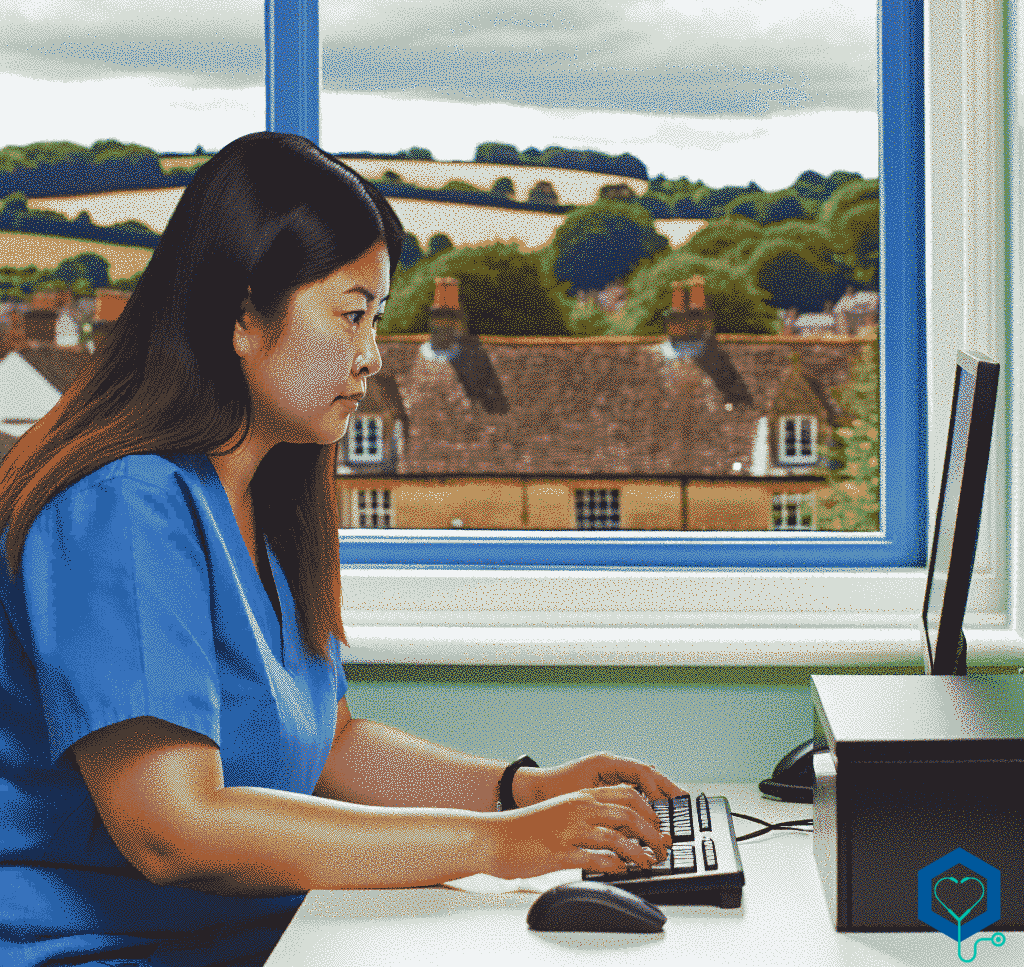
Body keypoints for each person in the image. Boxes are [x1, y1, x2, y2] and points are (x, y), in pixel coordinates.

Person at [0, 132, 685, 967]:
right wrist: (499, 844)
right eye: (352, 313)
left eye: (380, 319)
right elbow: (174, 830)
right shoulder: (120, 507)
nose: (370, 356)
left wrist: (523, 791)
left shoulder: (260, 490)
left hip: (260, 941)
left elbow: (328, 746)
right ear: (243, 315)